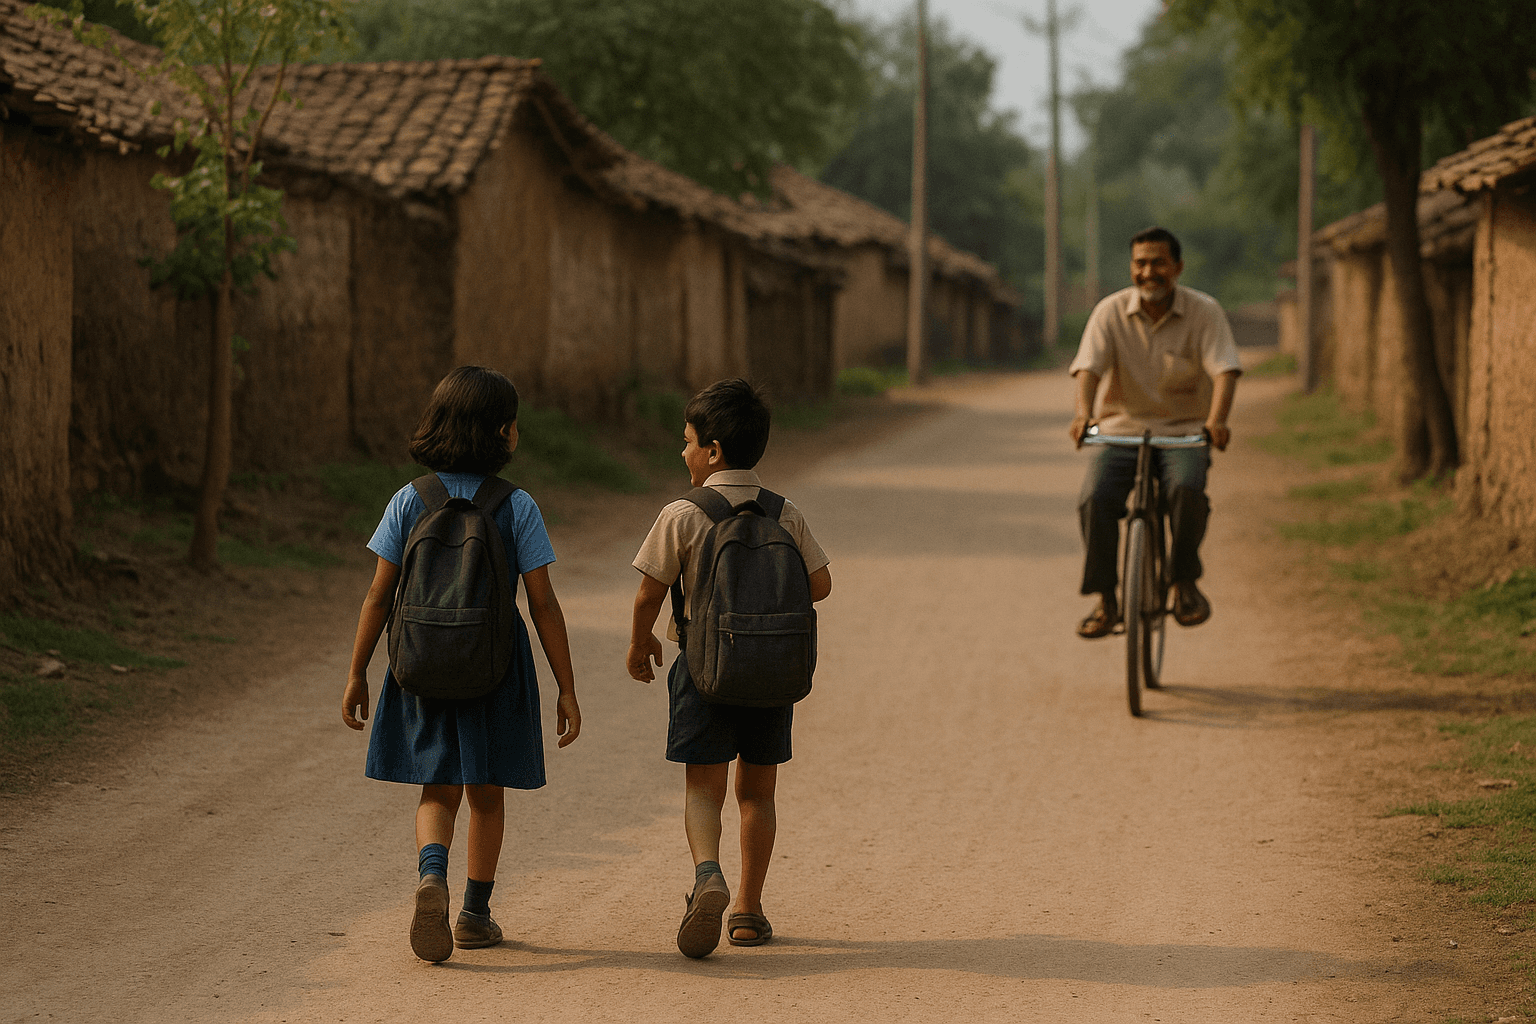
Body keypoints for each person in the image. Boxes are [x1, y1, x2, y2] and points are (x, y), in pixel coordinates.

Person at [341, 365, 581, 963]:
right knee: (487, 794)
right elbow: (543, 603)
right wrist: (566, 687)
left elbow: (378, 594)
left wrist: (357, 672)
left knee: (437, 788)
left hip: (421, 663)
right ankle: (475, 912)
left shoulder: (409, 499)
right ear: (503, 433)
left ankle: (431, 877)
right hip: (496, 665)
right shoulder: (516, 506)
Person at [625, 378, 832, 958]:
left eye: (688, 442)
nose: (682, 452)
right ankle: (747, 909)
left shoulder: (683, 515)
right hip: (770, 674)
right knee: (757, 793)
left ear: (712, 451)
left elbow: (648, 593)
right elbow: (821, 583)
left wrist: (640, 644)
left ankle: (707, 874)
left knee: (703, 787)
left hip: (703, 669)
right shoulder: (783, 512)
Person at [1067, 226, 1242, 639]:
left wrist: (1216, 421)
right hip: (1121, 430)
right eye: (1140, 263)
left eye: (1158, 263)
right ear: (1132, 268)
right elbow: (1087, 368)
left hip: (1183, 432)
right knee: (1096, 498)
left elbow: (1225, 369)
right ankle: (1107, 599)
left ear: (1177, 267)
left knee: (1186, 490)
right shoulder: (1109, 312)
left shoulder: (1204, 311)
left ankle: (1183, 582)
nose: (1149, 272)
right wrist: (1082, 415)